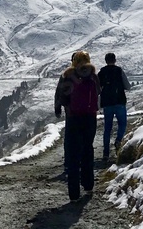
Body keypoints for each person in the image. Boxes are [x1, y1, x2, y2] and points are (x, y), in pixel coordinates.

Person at [54, 50, 101, 201]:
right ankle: (88, 185)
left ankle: (74, 193)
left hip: (73, 118)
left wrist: (59, 108)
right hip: (90, 119)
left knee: (73, 153)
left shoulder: (68, 75)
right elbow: (98, 92)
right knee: (88, 149)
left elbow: (60, 95)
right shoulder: (93, 75)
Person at [98, 52, 132, 161]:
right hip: (119, 102)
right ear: (115, 60)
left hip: (107, 104)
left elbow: (97, 88)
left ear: (105, 60)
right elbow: (127, 86)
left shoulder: (102, 72)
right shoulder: (119, 70)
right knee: (122, 124)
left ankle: (106, 153)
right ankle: (118, 141)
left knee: (107, 128)